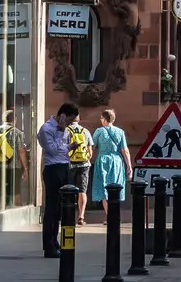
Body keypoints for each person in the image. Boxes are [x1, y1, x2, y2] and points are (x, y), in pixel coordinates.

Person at [37, 102, 81, 258]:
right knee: (52, 208)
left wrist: (70, 147)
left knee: (61, 209)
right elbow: (53, 150)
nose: (70, 124)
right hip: (53, 169)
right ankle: (48, 246)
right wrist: (60, 132)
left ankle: (56, 242)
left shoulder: (65, 131)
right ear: (63, 115)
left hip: (64, 167)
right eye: (69, 120)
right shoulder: (47, 129)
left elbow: (62, 149)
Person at [87, 109, 130, 214]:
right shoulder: (120, 132)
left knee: (104, 188)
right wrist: (129, 166)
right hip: (117, 162)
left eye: (101, 118)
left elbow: (92, 147)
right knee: (116, 187)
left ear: (105, 119)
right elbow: (125, 150)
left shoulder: (99, 131)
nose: (101, 120)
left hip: (103, 161)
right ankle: (114, 214)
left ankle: (108, 215)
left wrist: (87, 158)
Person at [66, 111, 94, 224]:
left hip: (70, 164)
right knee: (82, 191)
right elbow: (90, 152)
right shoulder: (85, 131)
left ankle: (69, 215)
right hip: (84, 164)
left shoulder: (65, 131)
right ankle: (81, 216)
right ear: (79, 119)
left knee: (68, 190)